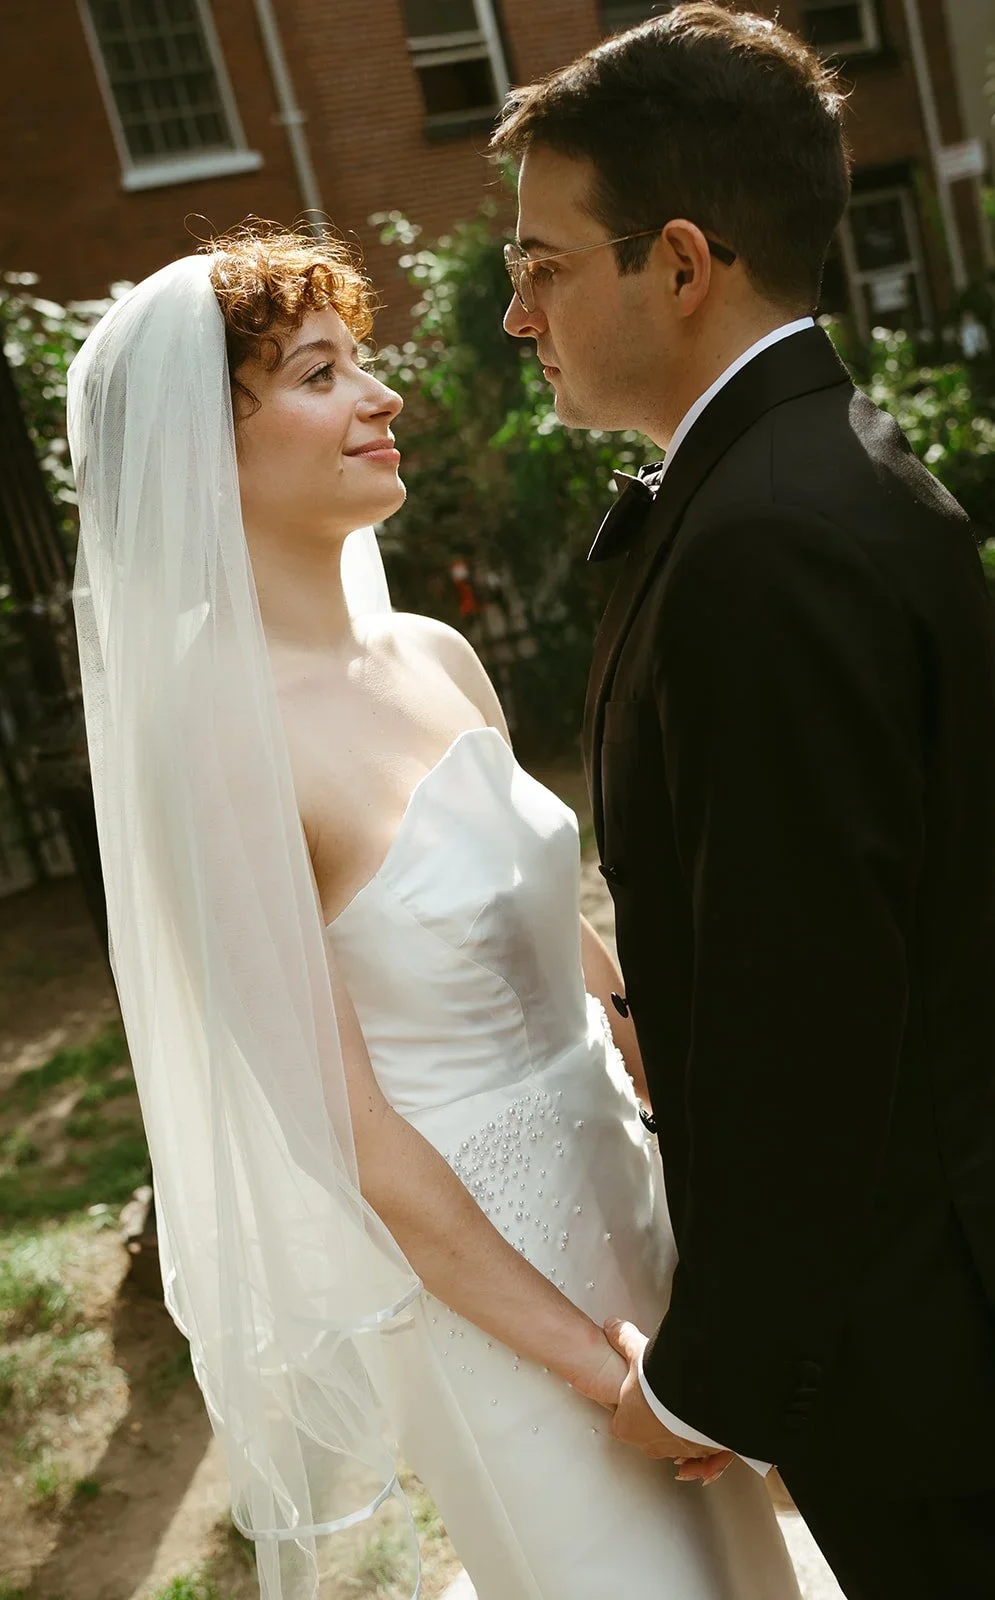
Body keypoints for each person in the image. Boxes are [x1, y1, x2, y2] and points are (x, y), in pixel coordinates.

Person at [67, 225, 799, 1600]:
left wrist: (688, 1125)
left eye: (365, 361)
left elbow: (547, 935)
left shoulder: (432, 654)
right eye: (316, 373)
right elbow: (350, 1138)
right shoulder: (214, 745)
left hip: (642, 1219)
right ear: (195, 456)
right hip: (495, 1307)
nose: (380, 395)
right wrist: (603, 1371)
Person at [495, 6, 995, 1598]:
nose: (517, 310)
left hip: (921, 1338)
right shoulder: (789, 479)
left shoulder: (769, 545)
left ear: (683, 261)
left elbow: (812, 1014)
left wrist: (713, 1369)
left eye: (544, 264)